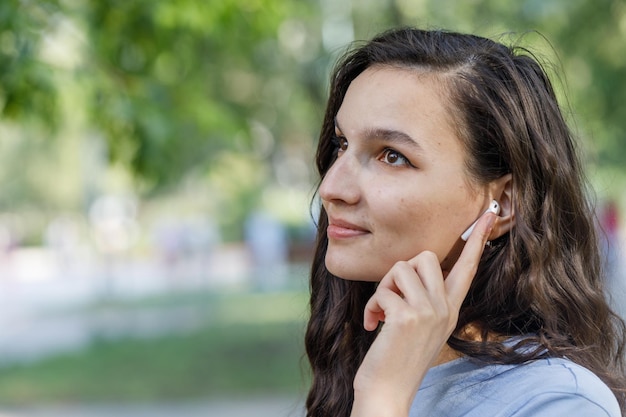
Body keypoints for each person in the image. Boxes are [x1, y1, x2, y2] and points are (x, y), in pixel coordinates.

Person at [304, 27, 626, 417]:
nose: (331, 187)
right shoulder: (365, 364)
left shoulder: (557, 402)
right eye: (341, 144)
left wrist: (382, 396)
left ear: (503, 204)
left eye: (391, 155)